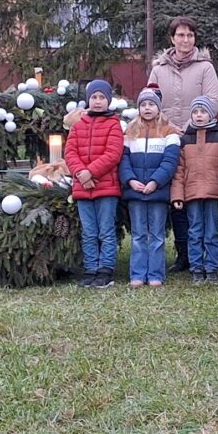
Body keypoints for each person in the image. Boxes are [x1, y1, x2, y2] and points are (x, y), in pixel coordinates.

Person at [148, 16, 218, 274]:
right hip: (167, 137)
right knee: (176, 196)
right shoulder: (159, 68)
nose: (185, 40)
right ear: (172, 39)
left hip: (196, 137)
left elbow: (213, 100)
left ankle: (204, 256)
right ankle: (183, 254)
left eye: (190, 35)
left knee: (194, 195)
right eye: (180, 35)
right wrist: (169, 126)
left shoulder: (205, 67)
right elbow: (151, 102)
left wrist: (191, 124)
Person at [119, 84, 181, 288]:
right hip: (135, 192)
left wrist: (155, 181)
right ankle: (137, 274)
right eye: (143, 104)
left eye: (151, 104)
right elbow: (124, 160)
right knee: (138, 235)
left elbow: (170, 161)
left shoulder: (168, 131)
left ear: (158, 108)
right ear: (138, 108)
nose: (147, 108)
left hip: (158, 192)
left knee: (156, 235)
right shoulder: (130, 131)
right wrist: (130, 180)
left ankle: (155, 274)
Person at [65, 79, 124, 289]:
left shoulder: (114, 124)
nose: (97, 102)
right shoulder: (78, 125)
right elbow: (70, 152)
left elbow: (113, 154)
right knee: (88, 231)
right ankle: (90, 268)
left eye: (101, 98)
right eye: (94, 97)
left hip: (105, 187)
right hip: (83, 188)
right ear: (88, 100)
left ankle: (105, 269)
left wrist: (90, 172)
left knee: (106, 230)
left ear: (108, 100)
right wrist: (81, 173)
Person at [171, 96, 218, 284]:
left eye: (203, 111)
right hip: (191, 193)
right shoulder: (185, 140)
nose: (199, 115)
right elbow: (179, 171)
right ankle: (196, 267)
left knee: (211, 231)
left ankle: (211, 267)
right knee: (194, 231)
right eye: (195, 112)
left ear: (210, 114)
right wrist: (177, 195)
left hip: (213, 193)